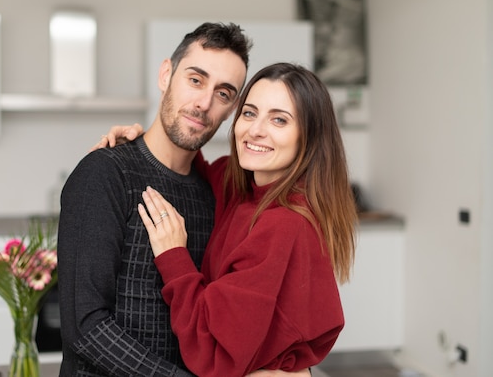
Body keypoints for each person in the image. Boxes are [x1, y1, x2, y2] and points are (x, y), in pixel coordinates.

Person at [58, 22, 308, 377]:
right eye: (195, 79)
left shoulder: (217, 192)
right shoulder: (106, 173)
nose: (204, 103)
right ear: (166, 75)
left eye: (224, 93)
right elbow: (86, 327)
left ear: (231, 110)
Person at [104, 62, 358, 376]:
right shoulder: (242, 185)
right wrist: (146, 143)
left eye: (279, 119)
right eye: (250, 113)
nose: (255, 130)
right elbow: (194, 170)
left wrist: (174, 256)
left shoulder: (285, 224)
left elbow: (214, 354)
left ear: (308, 137)